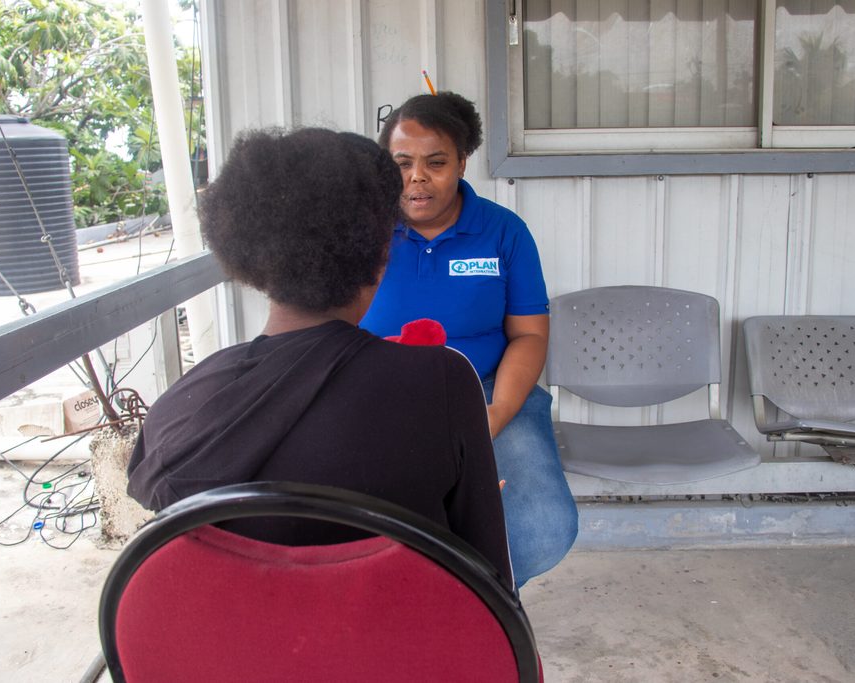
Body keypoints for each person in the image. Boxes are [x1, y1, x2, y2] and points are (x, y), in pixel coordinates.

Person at [126, 127, 512, 588]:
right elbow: (488, 584)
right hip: (397, 650)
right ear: (381, 254)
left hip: (234, 654)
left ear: (250, 255)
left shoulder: (179, 407)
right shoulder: (441, 381)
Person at [361, 92, 578, 587]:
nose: (417, 177)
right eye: (401, 163)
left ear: (462, 161)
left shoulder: (503, 233)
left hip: (486, 388)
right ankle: (410, 605)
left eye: (435, 163)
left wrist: (495, 415)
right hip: (377, 393)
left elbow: (527, 334)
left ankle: (483, 604)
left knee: (542, 525)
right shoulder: (363, 230)